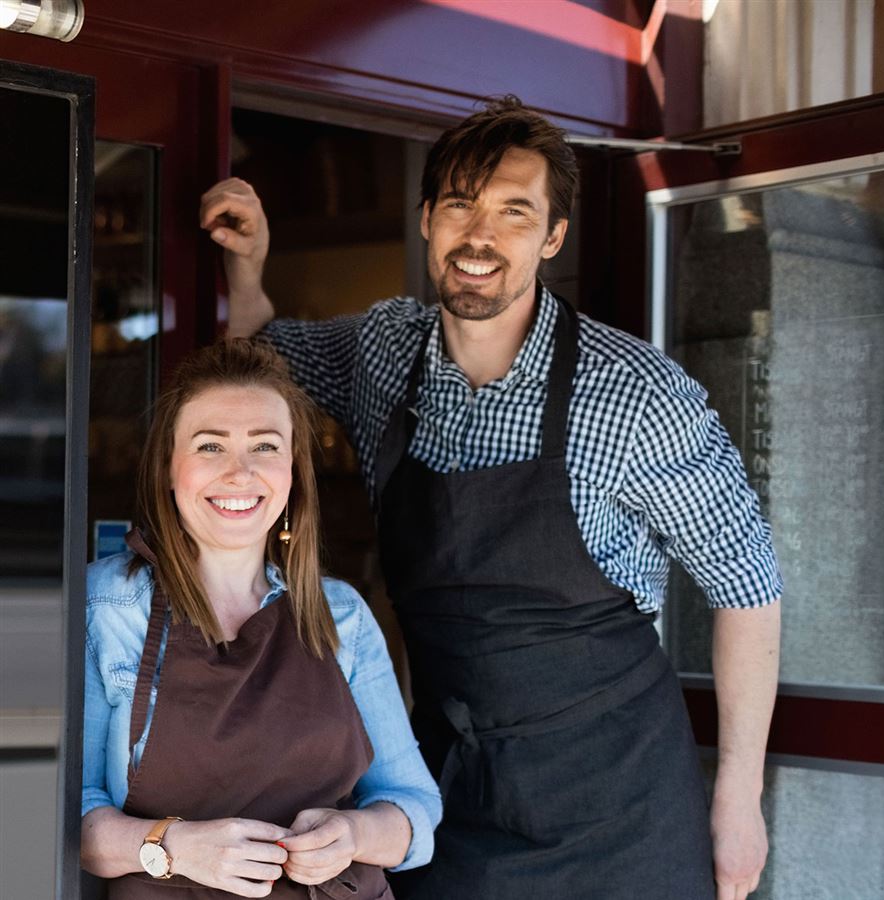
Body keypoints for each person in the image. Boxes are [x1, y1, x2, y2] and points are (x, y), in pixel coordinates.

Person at [200, 96, 782, 900]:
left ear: (552, 237)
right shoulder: (383, 350)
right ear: (428, 220)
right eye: (461, 205)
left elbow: (747, 590)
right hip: (451, 790)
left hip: (621, 809)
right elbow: (261, 367)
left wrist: (738, 799)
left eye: (515, 212)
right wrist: (247, 268)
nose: (481, 236)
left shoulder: (638, 396)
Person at [81, 339, 441, 898]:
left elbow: (415, 809)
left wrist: (354, 833)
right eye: (210, 446)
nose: (239, 472)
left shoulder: (340, 613)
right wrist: (175, 848)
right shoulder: (106, 605)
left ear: (293, 472)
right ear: (168, 470)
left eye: (265, 447)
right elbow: (62, 814)